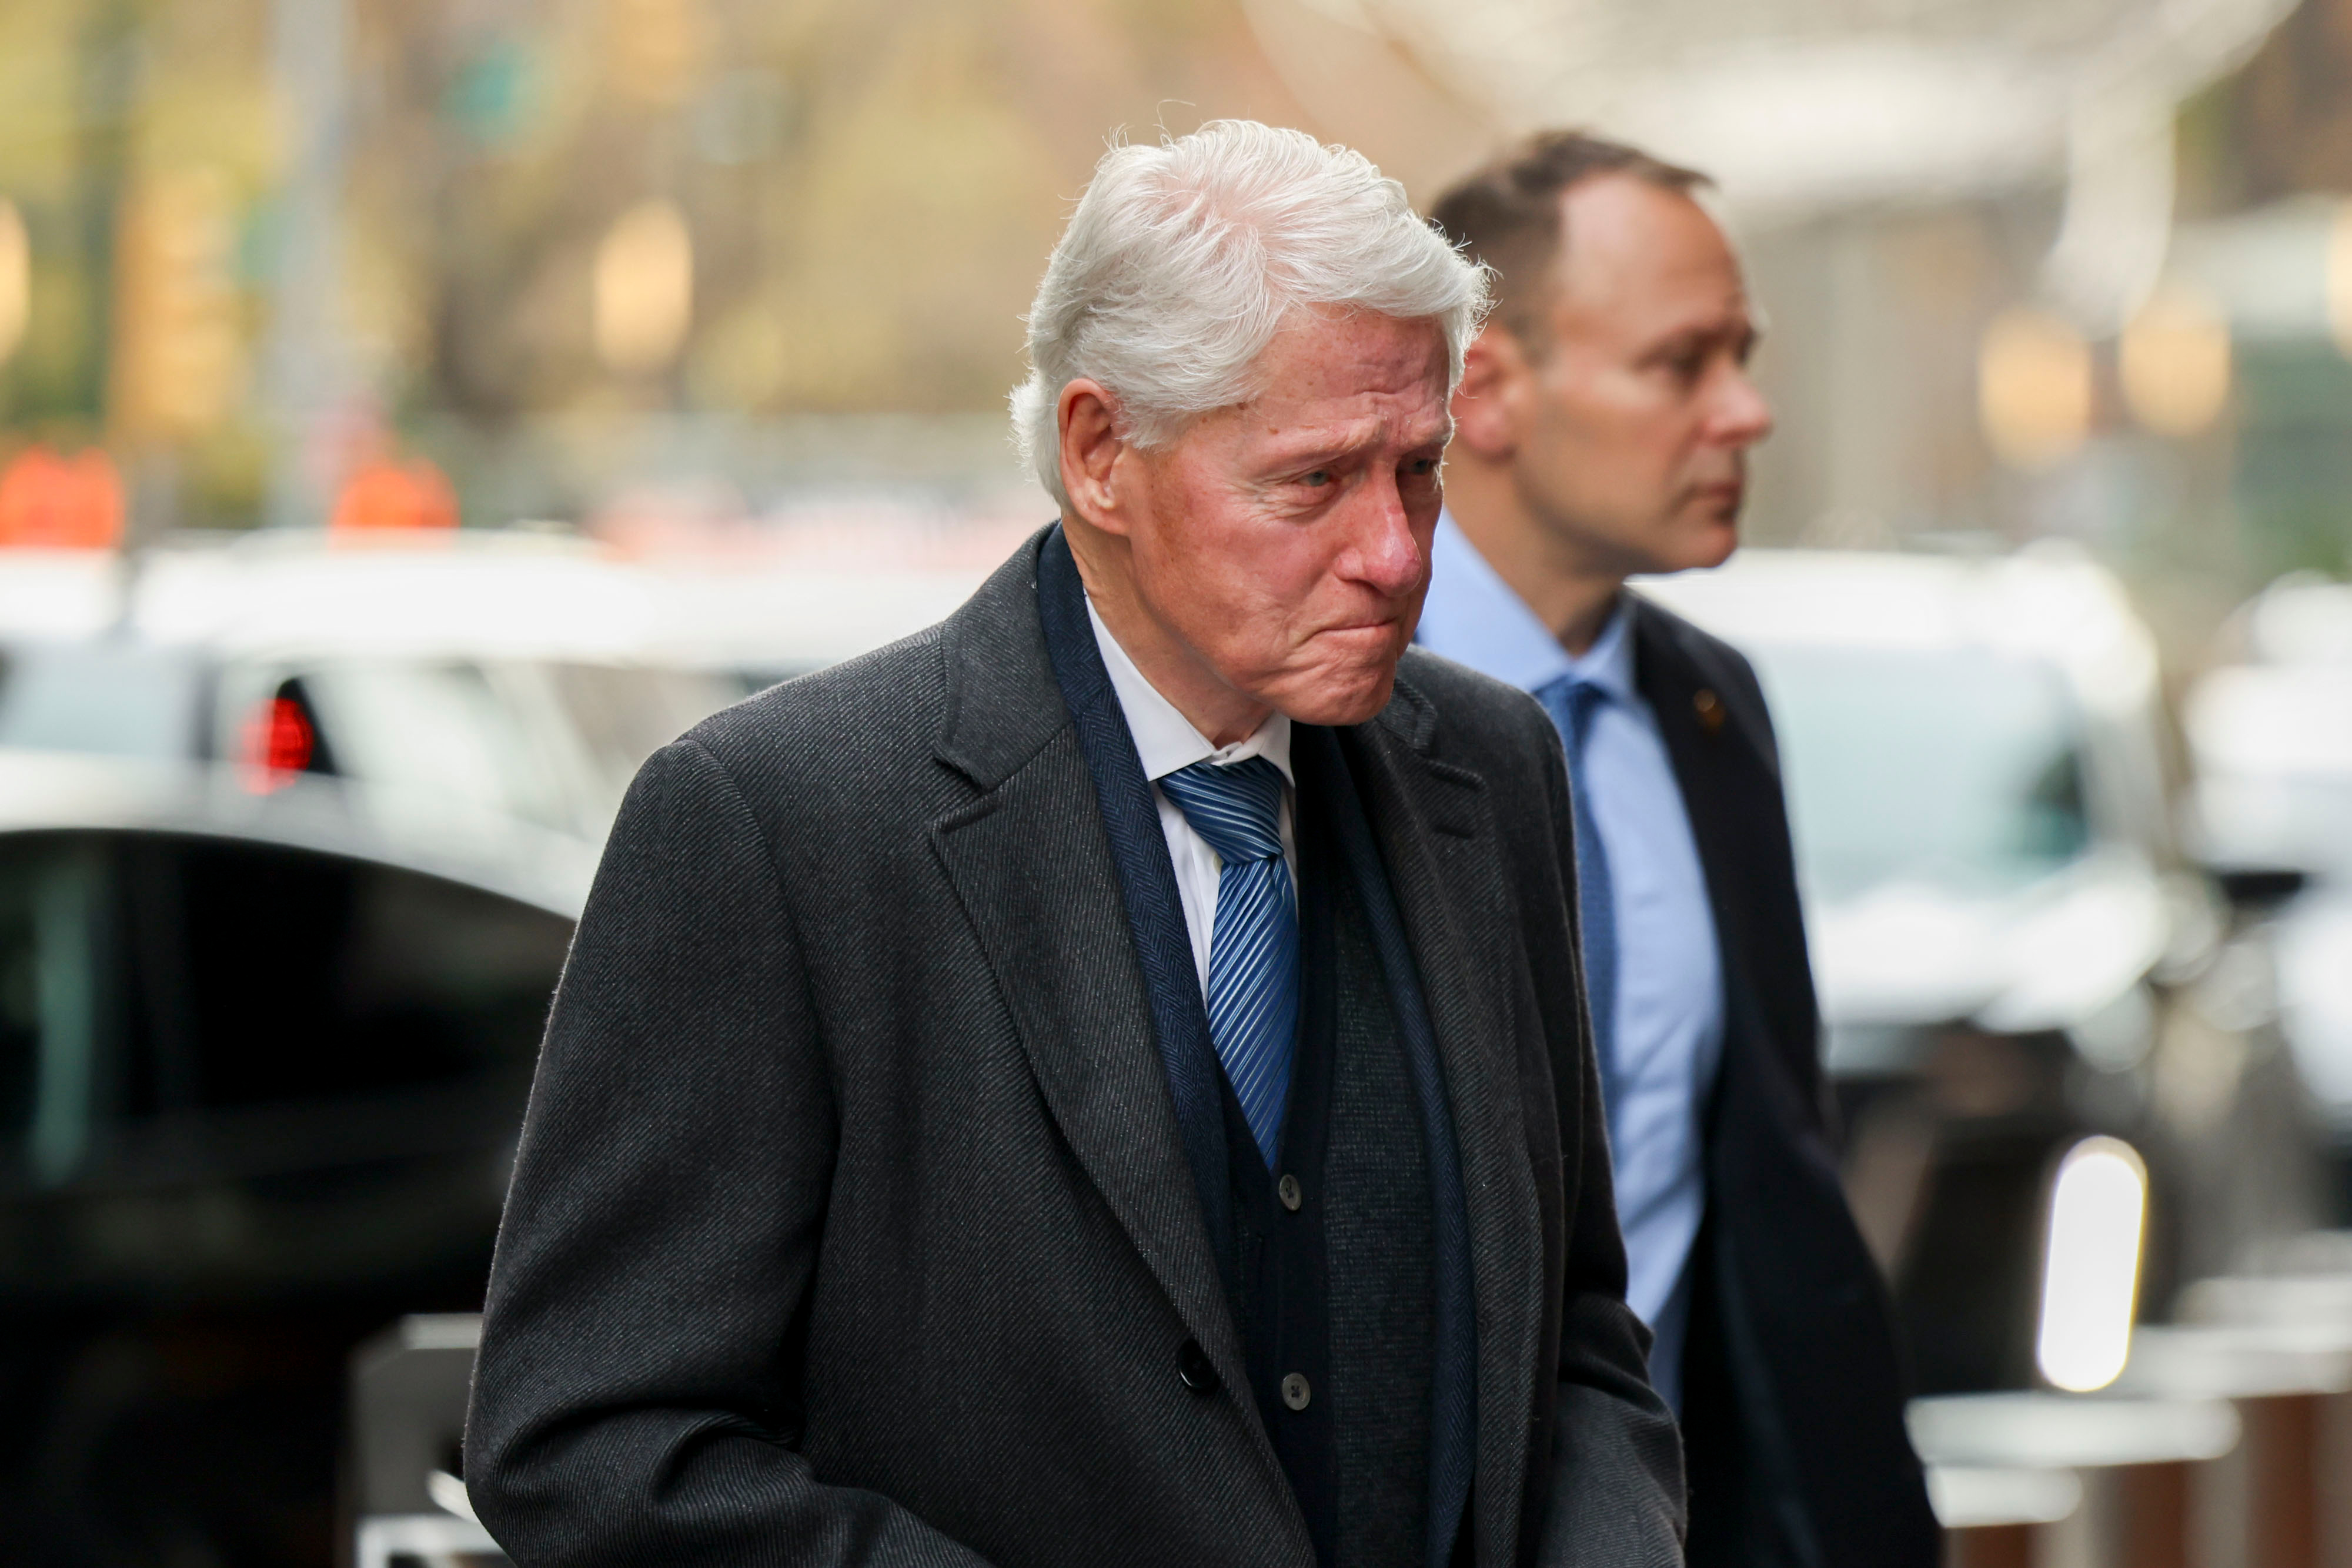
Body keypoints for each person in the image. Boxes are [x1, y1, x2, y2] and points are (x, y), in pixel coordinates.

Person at [465, 121, 1683, 1568]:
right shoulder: (779, 823)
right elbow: (586, 1440)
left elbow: (1576, 1344)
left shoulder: (1488, 766)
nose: (1397, 551)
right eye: (1312, 481)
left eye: (1416, 468)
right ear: (1100, 452)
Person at [1419, 133, 1937, 1568]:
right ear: (1489, 389)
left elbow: (1773, 1190)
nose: (1748, 412)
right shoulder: (1321, 712)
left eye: (1745, 355)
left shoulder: (1707, 710)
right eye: (1679, 362)